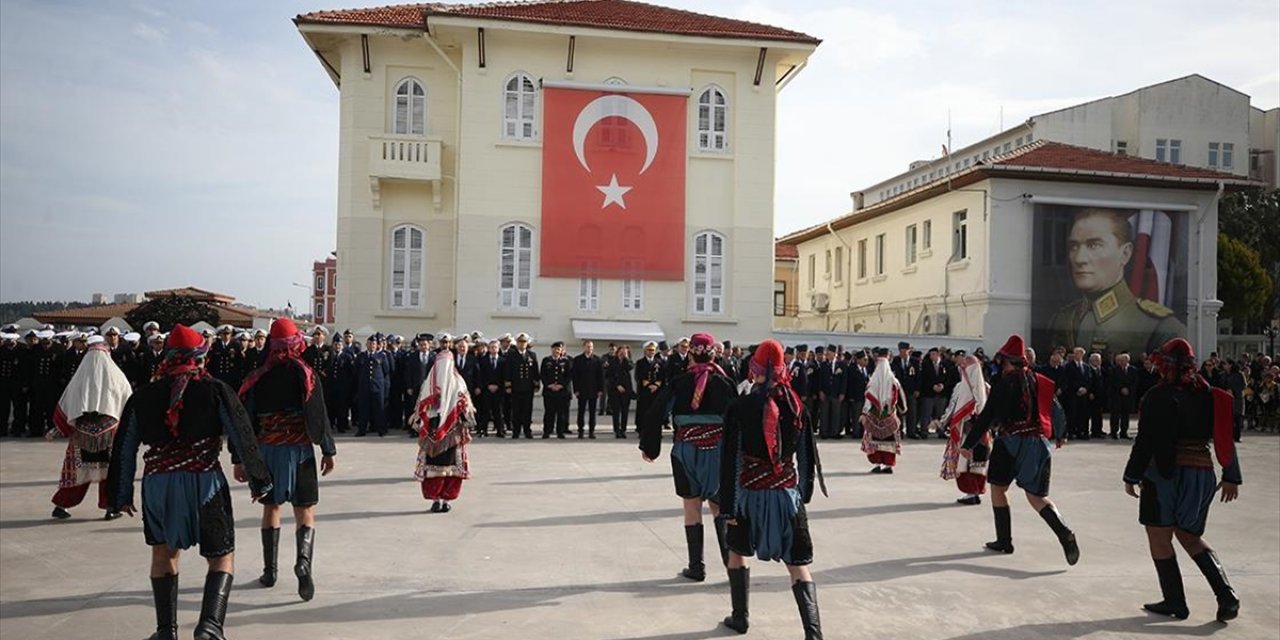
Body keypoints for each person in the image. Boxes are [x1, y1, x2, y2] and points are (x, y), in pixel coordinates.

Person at [106, 324, 272, 640]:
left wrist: (121, 494)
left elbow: (125, 446)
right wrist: (258, 480)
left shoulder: (142, 396)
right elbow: (241, 433)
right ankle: (210, 625)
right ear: (199, 357)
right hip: (205, 483)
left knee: (163, 554)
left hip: (158, 486)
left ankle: (166, 631)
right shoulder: (216, 390)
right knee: (220, 555)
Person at [1123, 338, 1241, 622]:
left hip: (1163, 474)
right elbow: (1225, 437)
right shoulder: (1210, 394)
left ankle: (1175, 600)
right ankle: (1227, 596)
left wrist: (1131, 475)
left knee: (1159, 536)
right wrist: (1231, 475)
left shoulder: (1156, 395)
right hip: (1201, 472)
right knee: (1190, 536)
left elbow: (1145, 441)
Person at [717, 339, 822, 639]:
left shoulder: (739, 407)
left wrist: (728, 507)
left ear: (755, 368)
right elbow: (806, 457)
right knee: (797, 564)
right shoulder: (796, 405)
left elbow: (731, 459)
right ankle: (814, 634)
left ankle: (740, 618)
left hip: (748, 496)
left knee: (737, 551)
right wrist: (803, 494)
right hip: (787, 496)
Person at [237, 318, 337, 602]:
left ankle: (269, 572)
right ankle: (303, 562)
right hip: (300, 450)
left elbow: (246, 420)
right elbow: (319, 415)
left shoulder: (258, 376)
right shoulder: (306, 374)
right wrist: (328, 450)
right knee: (304, 510)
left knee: (271, 508)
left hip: (267, 450)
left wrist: (239, 458)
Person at [960, 334, 1078, 565]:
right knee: (1037, 496)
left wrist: (968, 444)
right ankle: (1064, 532)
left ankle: (1004, 540)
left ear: (1008, 362)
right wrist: (1061, 434)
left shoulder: (1004, 384)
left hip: (1009, 442)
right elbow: (1056, 408)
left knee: (998, 488)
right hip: (1038, 444)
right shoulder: (1039, 380)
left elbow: (987, 416)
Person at [640, 332, 736, 582]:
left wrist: (650, 447)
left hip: (686, 451)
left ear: (690, 354)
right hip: (718, 451)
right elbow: (738, 419)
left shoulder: (679, 382)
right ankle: (732, 565)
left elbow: (655, 412)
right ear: (714, 354)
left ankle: (697, 567)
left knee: (691, 506)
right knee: (720, 507)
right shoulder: (725, 383)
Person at [1048, 207, 1187, 355]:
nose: (1079, 259)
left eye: (1094, 245)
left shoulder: (1161, 327)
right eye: (1074, 246)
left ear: (1125, 253)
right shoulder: (1062, 319)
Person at [48, 335, 133, 520]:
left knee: (78, 470)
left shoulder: (79, 378)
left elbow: (66, 402)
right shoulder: (116, 376)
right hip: (109, 429)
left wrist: (60, 428)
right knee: (108, 471)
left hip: (82, 429)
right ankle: (110, 507)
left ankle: (61, 505)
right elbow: (128, 399)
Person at [410, 348, 475, 513]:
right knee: (433, 468)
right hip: (433, 431)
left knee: (452, 468)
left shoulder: (458, 383)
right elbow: (421, 407)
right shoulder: (429, 385)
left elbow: (466, 406)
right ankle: (436, 500)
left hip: (453, 432)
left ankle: (446, 500)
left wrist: (464, 422)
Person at [940, 354, 991, 505]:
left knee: (968, 462)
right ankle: (975, 492)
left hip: (967, 431)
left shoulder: (963, 387)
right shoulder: (985, 387)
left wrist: (944, 421)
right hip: (981, 432)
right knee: (977, 462)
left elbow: (953, 407)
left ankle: (971, 492)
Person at [861, 349, 907, 474]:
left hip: (875, 415)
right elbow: (901, 397)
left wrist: (864, 413)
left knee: (875, 442)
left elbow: (868, 399)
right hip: (889, 415)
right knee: (889, 443)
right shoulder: (894, 381)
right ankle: (888, 465)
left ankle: (877, 464)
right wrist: (903, 409)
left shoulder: (873, 381)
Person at [505, 333, 539, 439]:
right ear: (517, 343)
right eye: (520, 342)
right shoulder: (512, 355)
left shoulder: (531, 355)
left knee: (527, 410)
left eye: (524, 342)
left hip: (528, 387)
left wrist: (536, 384)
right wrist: (508, 386)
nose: (522, 344)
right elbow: (508, 371)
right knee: (516, 410)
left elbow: (535, 371)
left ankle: (527, 430)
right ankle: (516, 431)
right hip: (516, 387)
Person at [572, 340, 605, 439]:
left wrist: (600, 390)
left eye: (591, 347)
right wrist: (576, 389)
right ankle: (580, 430)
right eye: (587, 346)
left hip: (593, 390)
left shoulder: (597, 360)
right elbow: (575, 376)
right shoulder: (578, 360)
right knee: (581, 411)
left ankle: (591, 431)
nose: (589, 348)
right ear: (584, 347)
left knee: (592, 412)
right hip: (581, 390)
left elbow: (601, 376)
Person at [540, 341, 573, 438]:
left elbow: (568, 376)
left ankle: (560, 431)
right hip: (549, 391)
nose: (556, 351)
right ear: (551, 349)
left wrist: (561, 385)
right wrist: (549, 385)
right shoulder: (546, 360)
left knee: (561, 413)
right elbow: (543, 375)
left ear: (561, 350)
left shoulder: (565, 362)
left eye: (558, 349)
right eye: (555, 349)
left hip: (561, 392)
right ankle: (547, 431)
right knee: (549, 412)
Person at [634, 341, 665, 437]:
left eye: (653, 350)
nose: (651, 352)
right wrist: (648, 385)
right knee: (644, 411)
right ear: (645, 351)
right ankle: (642, 431)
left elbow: (662, 376)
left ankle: (655, 431)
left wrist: (656, 385)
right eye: (649, 350)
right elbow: (638, 376)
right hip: (644, 391)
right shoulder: (640, 362)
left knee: (656, 412)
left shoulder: (660, 362)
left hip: (656, 391)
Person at [814, 345, 845, 440]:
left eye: (829, 353)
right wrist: (820, 391)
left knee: (836, 413)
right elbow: (820, 379)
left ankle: (835, 432)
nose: (827, 355)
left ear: (834, 354)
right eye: (827, 353)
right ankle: (824, 432)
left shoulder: (841, 365)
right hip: (825, 392)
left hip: (836, 392)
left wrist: (842, 392)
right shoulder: (823, 365)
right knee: (824, 413)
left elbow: (844, 380)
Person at [476, 339, 506, 437]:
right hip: (486, 389)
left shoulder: (503, 361)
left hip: (499, 390)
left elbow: (504, 376)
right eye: (491, 347)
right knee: (485, 411)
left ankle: (500, 430)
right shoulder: (483, 360)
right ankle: (483, 430)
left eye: (495, 347)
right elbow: (481, 375)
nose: (493, 349)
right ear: (488, 349)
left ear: (498, 348)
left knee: (498, 411)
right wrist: (487, 385)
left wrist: (498, 386)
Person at [918, 348, 950, 438]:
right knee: (926, 413)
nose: (932, 356)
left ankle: (941, 431)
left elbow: (948, 378)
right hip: (929, 393)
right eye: (931, 354)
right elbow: (923, 378)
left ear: (938, 354)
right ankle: (924, 431)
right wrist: (932, 386)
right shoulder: (925, 364)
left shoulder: (945, 364)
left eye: (934, 354)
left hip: (941, 394)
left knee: (941, 413)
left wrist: (943, 385)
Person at [1108, 352, 1138, 439]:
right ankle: (1114, 432)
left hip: (1128, 396)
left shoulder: (1133, 370)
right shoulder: (1113, 370)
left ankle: (1124, 432)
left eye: (1123, 360)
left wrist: (1128, 389)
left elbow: (1135, 382)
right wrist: (1121, 388)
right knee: (1115, 415)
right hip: (1117, 395)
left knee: (1125, 415)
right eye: (1120, 360)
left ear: (1128, 360)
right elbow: (1112, 382)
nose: (1121, 362)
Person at [609, 344, 635, 439]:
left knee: (625, 411)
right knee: (616, 411)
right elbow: (609, 376)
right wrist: (617, 385)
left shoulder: (628, 361)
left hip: (626, 390)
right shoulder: (612, 362)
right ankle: (617, 430)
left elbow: (630, 367)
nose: (622, 353)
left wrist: (626, 357)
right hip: (615, 390)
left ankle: (623, 430)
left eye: (625, 352)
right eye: (621, 351)